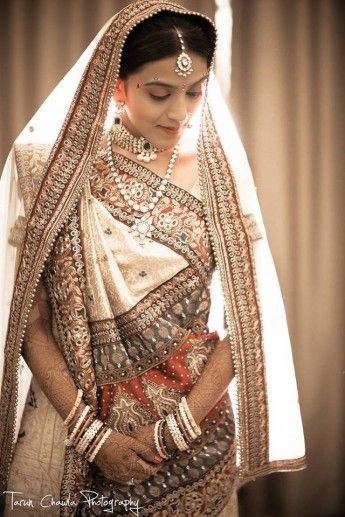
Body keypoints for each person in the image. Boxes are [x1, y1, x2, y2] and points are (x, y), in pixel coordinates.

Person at [0, 1, 306, 516]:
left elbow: (245, 320)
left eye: (194, 91)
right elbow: (30, 322)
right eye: (159, 93)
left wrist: (176, 429)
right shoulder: (50, 172)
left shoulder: (219, 180)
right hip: (76, 433)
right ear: (115, 85)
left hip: (197, 435)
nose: (180, 112)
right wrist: (93, 437)